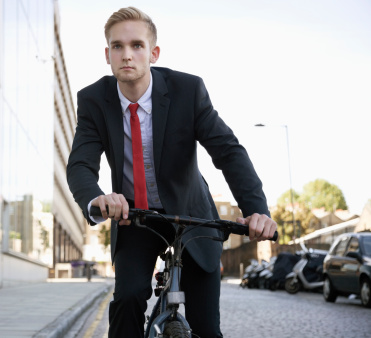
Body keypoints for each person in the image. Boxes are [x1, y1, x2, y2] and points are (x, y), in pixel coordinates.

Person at [66, 6, 277, 338]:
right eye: (117, 47)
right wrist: (97, 198)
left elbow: (228, 151)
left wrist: (257, 212)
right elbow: (80, 163)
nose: (127, 54)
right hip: (134, 217)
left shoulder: (187, 91)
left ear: (154, 52)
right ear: (107, 55)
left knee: (207, 327)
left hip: (192, 215)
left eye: (137, 45)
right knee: (128, 298)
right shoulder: (93, 100)